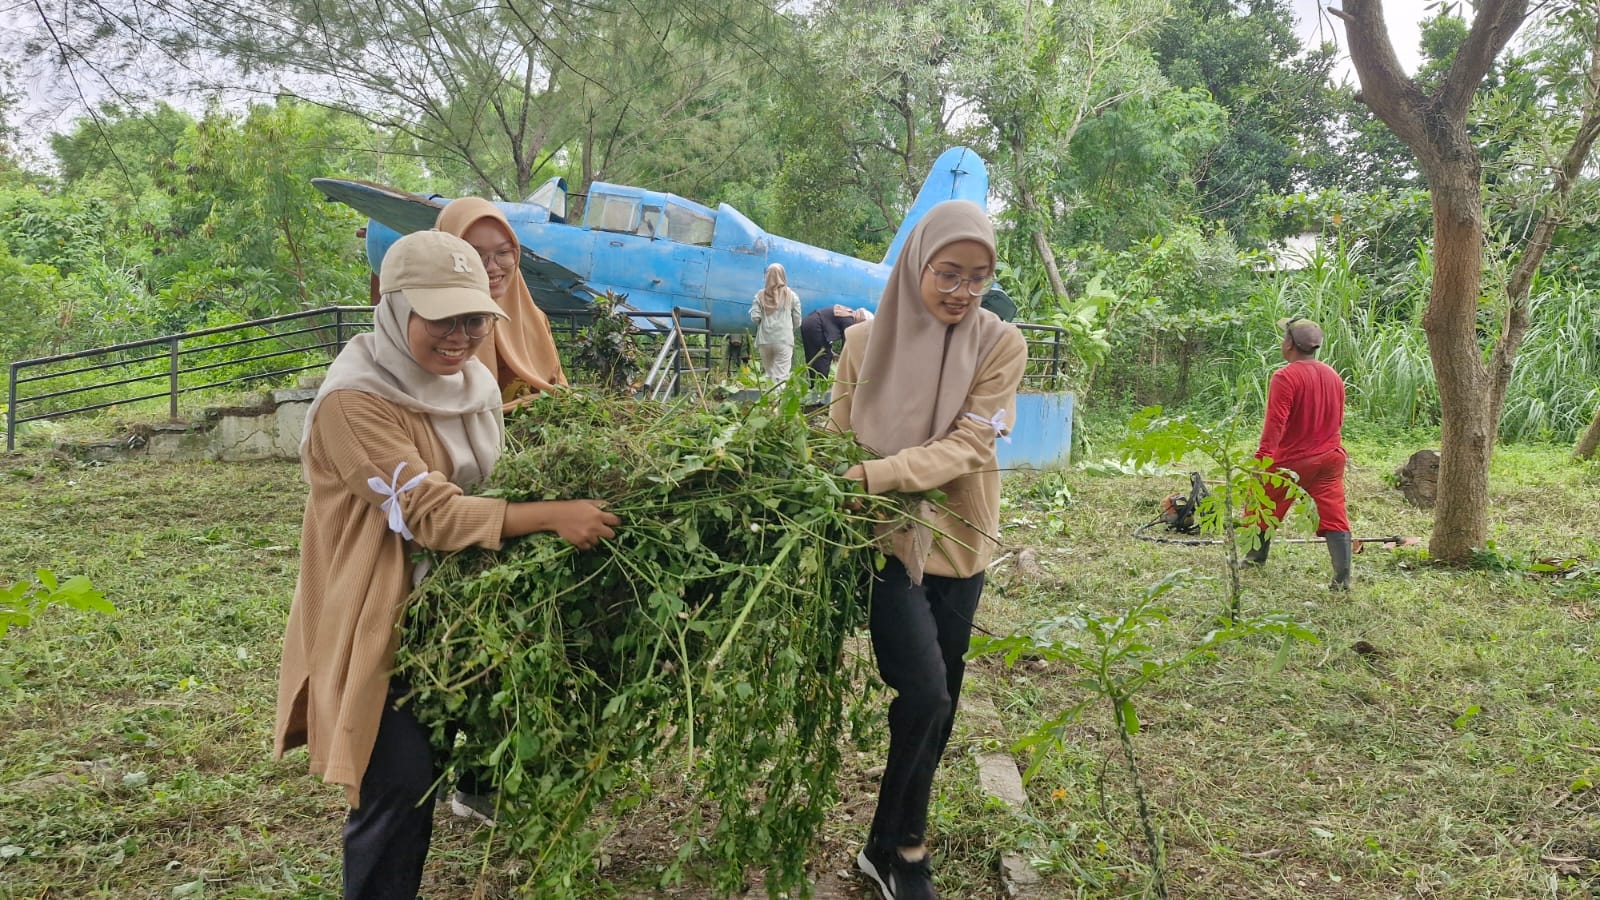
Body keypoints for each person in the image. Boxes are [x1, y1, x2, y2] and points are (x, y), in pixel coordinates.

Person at [273, 230, 620, 900]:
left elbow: (493, 478)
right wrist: (552, 514)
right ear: (394, 307)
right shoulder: (355, 402)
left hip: (458, 614)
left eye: (473, 319)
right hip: (381, 613)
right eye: (442, 319)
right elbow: (428, 514)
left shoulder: (472, 383)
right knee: (398, 787)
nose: (460, 337)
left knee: (450, 763)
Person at [828, 200, 1026, 900]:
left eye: (978, 277)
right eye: (948, 272)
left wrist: (874, 474)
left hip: (961, 544)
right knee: (925, 690)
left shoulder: (1000, 343)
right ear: (917, 264)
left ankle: (882, 843)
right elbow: (837, 437)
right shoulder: (863, 344)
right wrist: (846, 477)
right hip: (887, 544)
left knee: (940, 702)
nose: (962, 291)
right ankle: (908, 849)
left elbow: (970, 445)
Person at [1244, 316, 1352, 590]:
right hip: (1330, 458)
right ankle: (1342, 579)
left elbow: (1275, 423)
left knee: (1261, 501)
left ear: (1289, 344)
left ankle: (1254, 559)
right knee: (1334, 512)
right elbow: (1338, 420)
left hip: (1291, 461)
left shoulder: (1285, 377)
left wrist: (1262, 460)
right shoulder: (1333, 375)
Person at [436, 197, 568, 408]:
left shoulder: (535, 320)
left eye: (503, 252)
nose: (492, 267)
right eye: (475, 255)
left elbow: (559, 390)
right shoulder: (430, 327)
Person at [749, 262, 802, 383]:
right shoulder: (792, 296)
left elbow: (755, 318)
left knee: (769, 375)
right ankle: (779, 395)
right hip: (784, 339)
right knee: (781, 377)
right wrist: (789, 329)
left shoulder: (760, 295)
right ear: (783, 275)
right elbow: (798, 320)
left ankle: (770, 394)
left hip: (764, 340)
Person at [801, 303, 874, 379]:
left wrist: (832, 352)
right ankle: (820, 383)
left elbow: (827, 331)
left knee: (814, 357)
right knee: (823, 358)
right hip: (815, 326)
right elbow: (847, 348)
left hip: (809, 322)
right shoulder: (850, 321)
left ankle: (812, 382)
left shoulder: (848, 313)